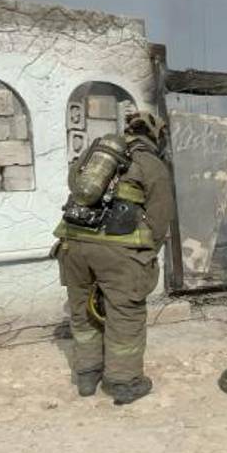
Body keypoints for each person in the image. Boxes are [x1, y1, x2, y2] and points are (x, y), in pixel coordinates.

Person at [52, 110, 175, 405]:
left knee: (82, 313)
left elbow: (75, 184)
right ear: (156, 135)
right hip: (119, 253)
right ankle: (123, 382)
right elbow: (160, 218)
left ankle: (86, 375)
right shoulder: (151, 163)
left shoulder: (96, 153)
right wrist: (146, 253)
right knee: (124, 316)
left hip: (73, 244)